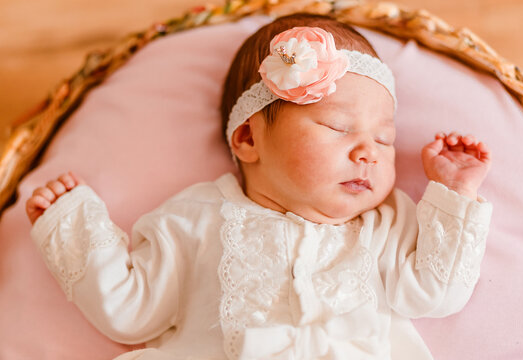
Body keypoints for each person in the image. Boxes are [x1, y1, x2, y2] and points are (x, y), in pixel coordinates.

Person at [26, 14, 492, 360]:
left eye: (385, 139)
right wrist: (75, 230)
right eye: (336, 127)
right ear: (249, 139)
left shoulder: (384, 223)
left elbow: (438, 291)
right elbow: (130, 310)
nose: (369, 152)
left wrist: (455, 192)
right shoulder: (196, 219)